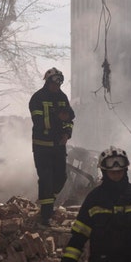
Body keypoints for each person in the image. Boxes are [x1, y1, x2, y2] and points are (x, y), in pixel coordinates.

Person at [29, 67, 75, 226]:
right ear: (48, 82)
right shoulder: (37, 98)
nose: (58, 86)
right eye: (55, 82)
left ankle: (47, 201)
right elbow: (39, 122)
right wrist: (57, 117)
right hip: (42, 147)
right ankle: (45, 216)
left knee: (61, 177)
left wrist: (67, 133)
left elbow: (69, 119)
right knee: (46, 179)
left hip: (58, 147)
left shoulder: (62, 97)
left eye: (60, 83)